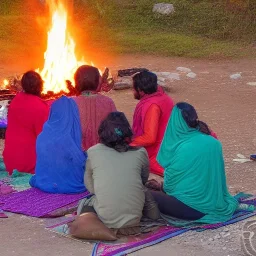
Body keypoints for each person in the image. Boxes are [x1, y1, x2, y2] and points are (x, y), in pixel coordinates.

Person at [151, 102, 238, 223]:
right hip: (215, 204)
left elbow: (170, 187)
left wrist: (161, 188)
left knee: (145, 195)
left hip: (192, 210)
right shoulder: (214, 143)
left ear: (175, 122)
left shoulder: (183, 147)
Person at [78, 112, 159, 230]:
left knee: (85, 204)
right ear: (127, 132)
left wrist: (103, 190)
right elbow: (142, 179)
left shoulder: (93, 151)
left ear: (102, 131)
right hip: (135, 219)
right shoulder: (140, 152)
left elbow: (90, 184)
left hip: (106, 217)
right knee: (143, 192)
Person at [30, 96, 86, 194]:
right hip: (67, 185)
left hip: (44, 182)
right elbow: (79, 163)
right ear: (72, 114)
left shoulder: (42, 136)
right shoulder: (66, 138)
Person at [3, 71, 49, 175]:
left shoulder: (15, 100)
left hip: (9, 162)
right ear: (41, 86)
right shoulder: (40, 107)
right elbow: (44, 138)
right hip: (27, 164)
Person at [131, 71, 174, 176]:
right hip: (169, 146)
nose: (132, 91)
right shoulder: (164, 97)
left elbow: (149, 138)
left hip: (157, 154)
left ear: (140, 91)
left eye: (133, 89)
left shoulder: (152, 106)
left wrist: (127, 143)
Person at [73, 65, 116, 151]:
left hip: (78, 154)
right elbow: (115, 129)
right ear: (97, 81)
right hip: (102, 153)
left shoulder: (70, 103)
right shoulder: (108, 102)